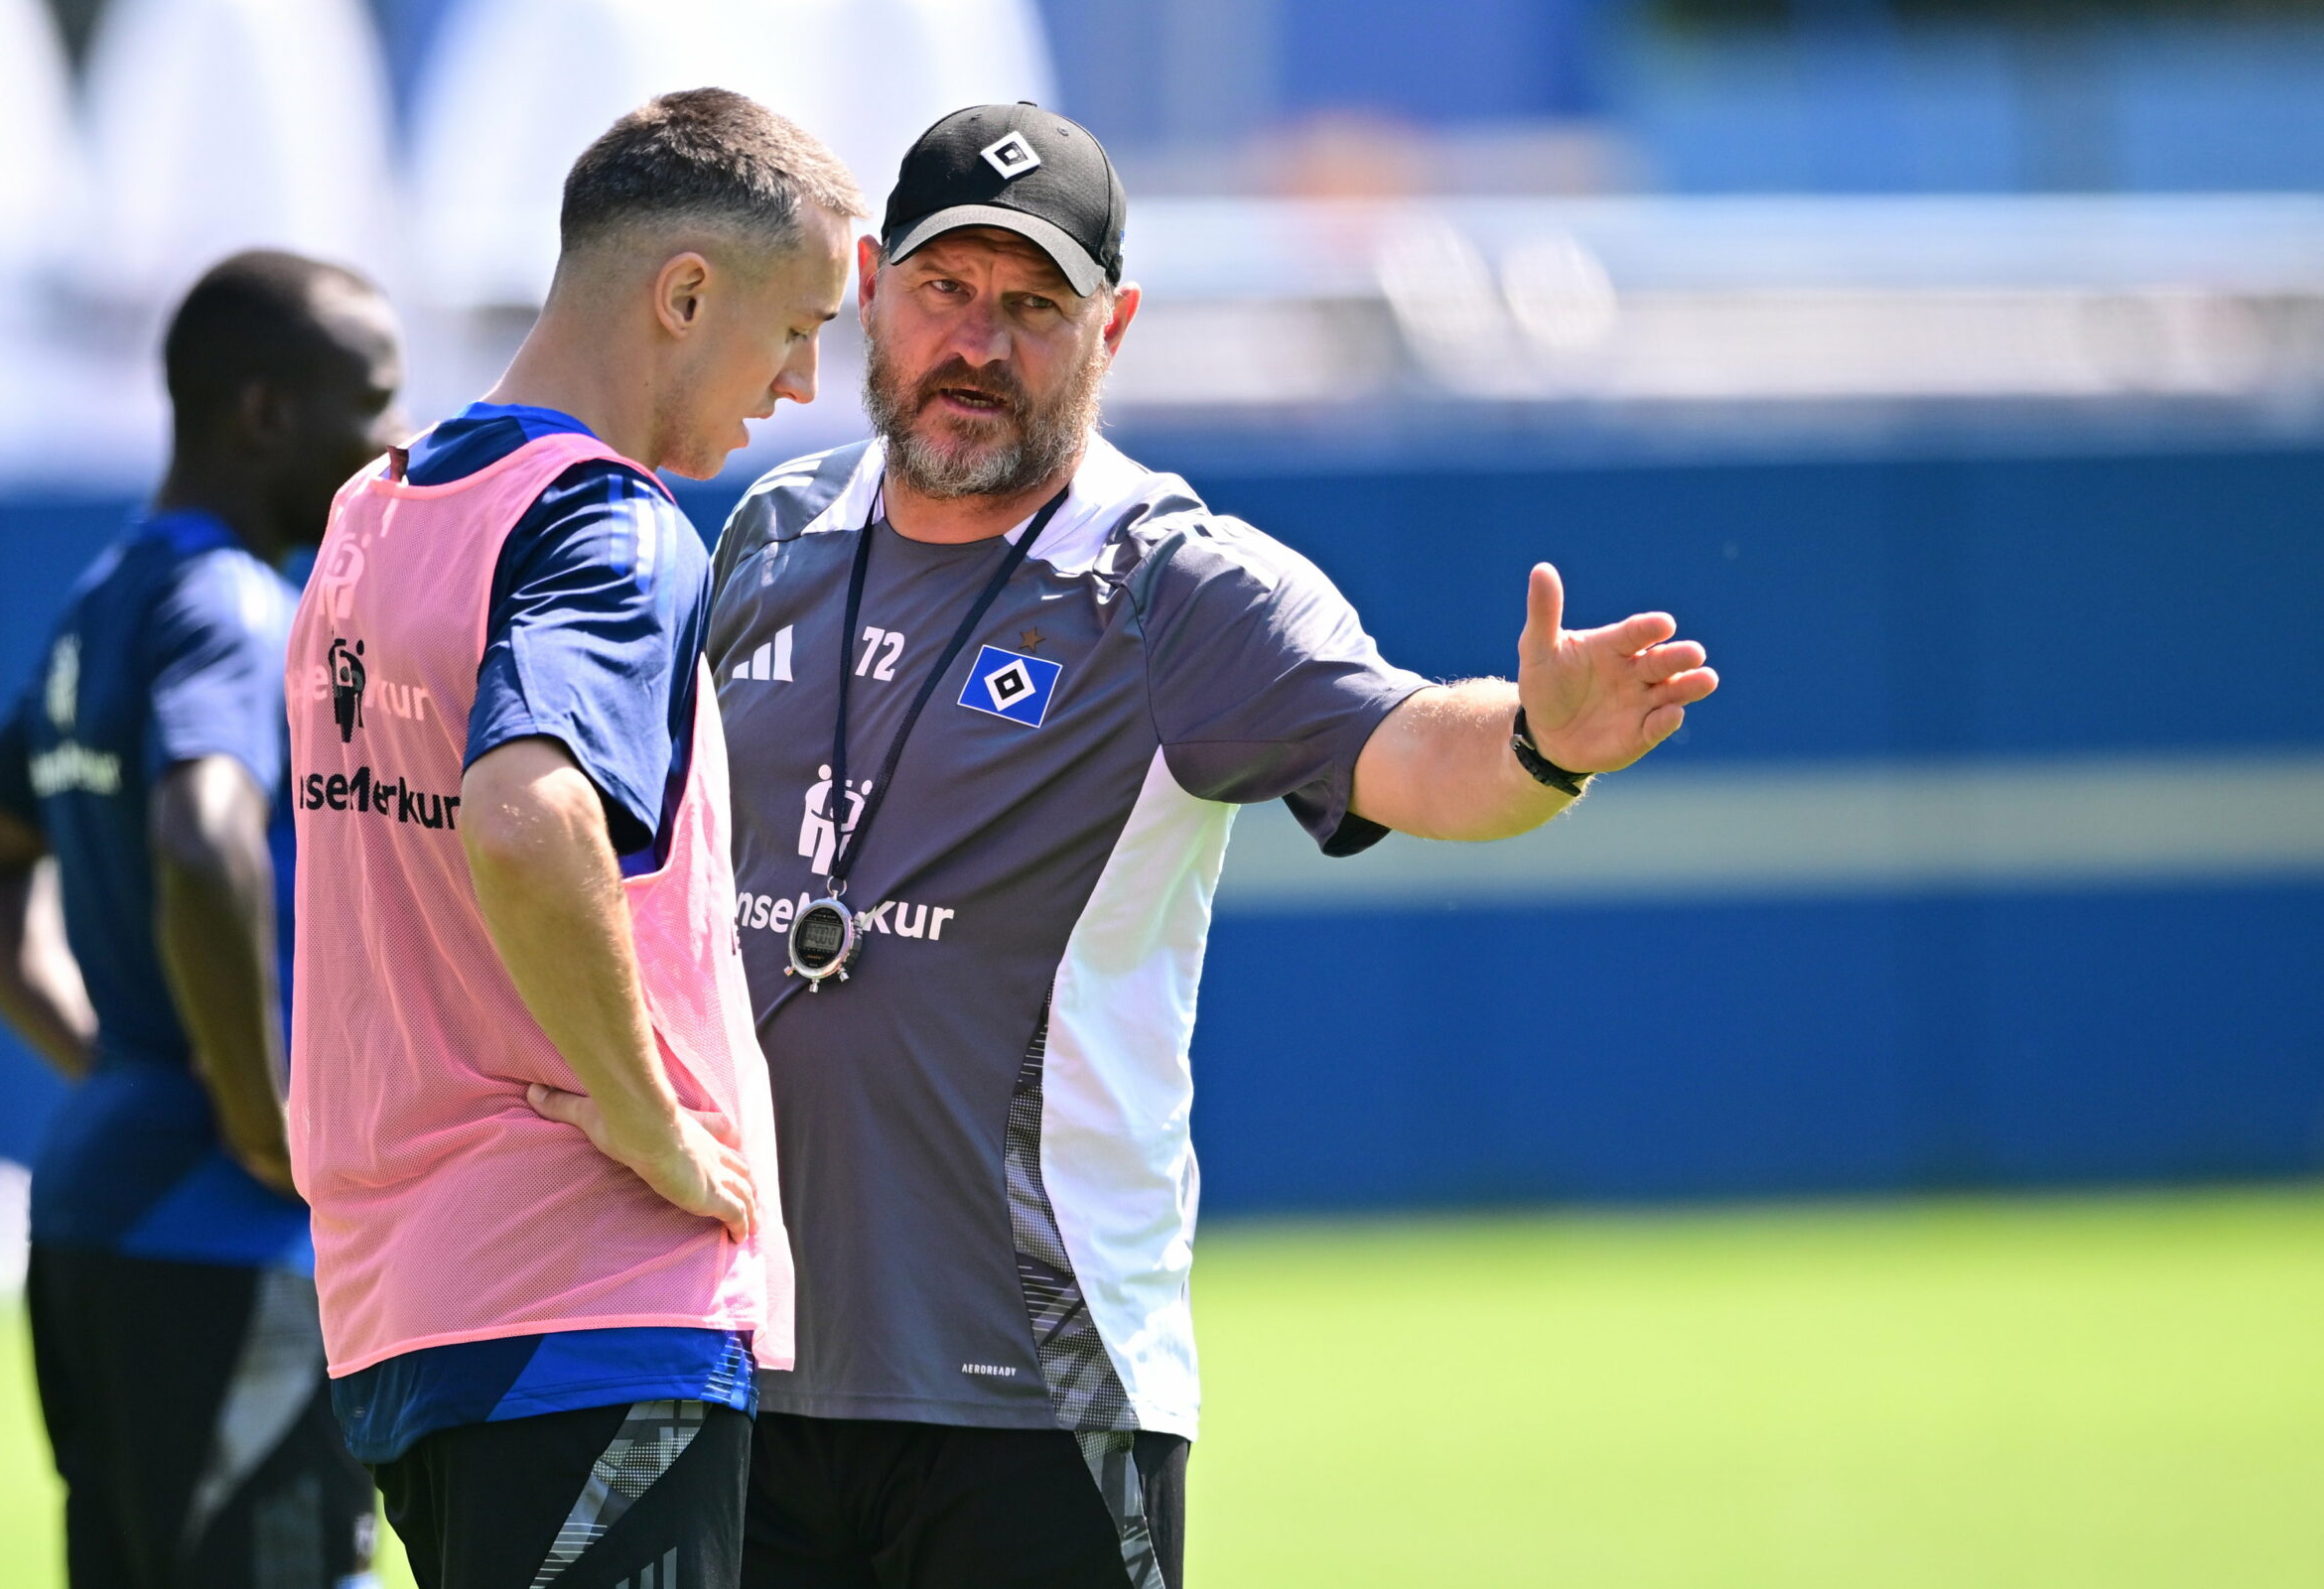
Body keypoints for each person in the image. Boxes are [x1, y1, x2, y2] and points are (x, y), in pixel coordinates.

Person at [710, 104, 1722, 1589]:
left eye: (1034, 306)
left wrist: (1540, 741)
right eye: (946, 290)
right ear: (869, 285)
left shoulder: (1177, 586)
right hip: (744, 1373)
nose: (979, 342)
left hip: (1034, 1397)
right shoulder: (766, 538)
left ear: (1112, 327)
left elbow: (1411, 748)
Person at [283, 89, 862, 1589]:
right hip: (588, 1292)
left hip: (402, 1307)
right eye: (796, 327)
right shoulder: (609, 522)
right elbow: (526, 816)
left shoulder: (372, 510)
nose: (803, 384)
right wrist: (650, 1116)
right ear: (685, 293)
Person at [0, 249, 406, 1588]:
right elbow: (205, 837)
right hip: (226, 1229)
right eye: (370, 402)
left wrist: (106, 1052)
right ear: (264, 414)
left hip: (97, 1201)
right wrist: (259, 1114)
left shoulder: (107, 599)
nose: (395, 443)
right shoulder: (235, 604)